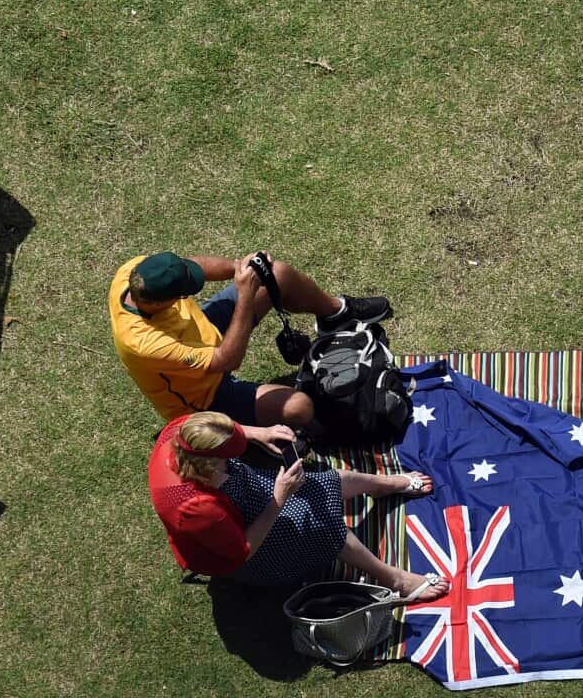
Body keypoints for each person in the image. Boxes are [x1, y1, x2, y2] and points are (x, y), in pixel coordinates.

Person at [148, 411, 449, 598]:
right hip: (242, 546)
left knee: (330, 480)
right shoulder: (193, 507)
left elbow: (222, 427)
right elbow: (242, 551)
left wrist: (257, 433)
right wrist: (279, 497)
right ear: (212, 462)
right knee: (326, 527)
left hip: (245, 496)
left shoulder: (182, 435)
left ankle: (386, 486)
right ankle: (395, 579)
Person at [109, 251, 390, 428]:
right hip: (204, 395)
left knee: (276, 274)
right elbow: (226, 360)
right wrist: (245, 295)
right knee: (299, 408)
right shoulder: (144, 342)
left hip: (204, 331)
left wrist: (241, 268)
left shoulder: (136, 274)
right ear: (164, 304)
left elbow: (194, 265)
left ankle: (336, 313)